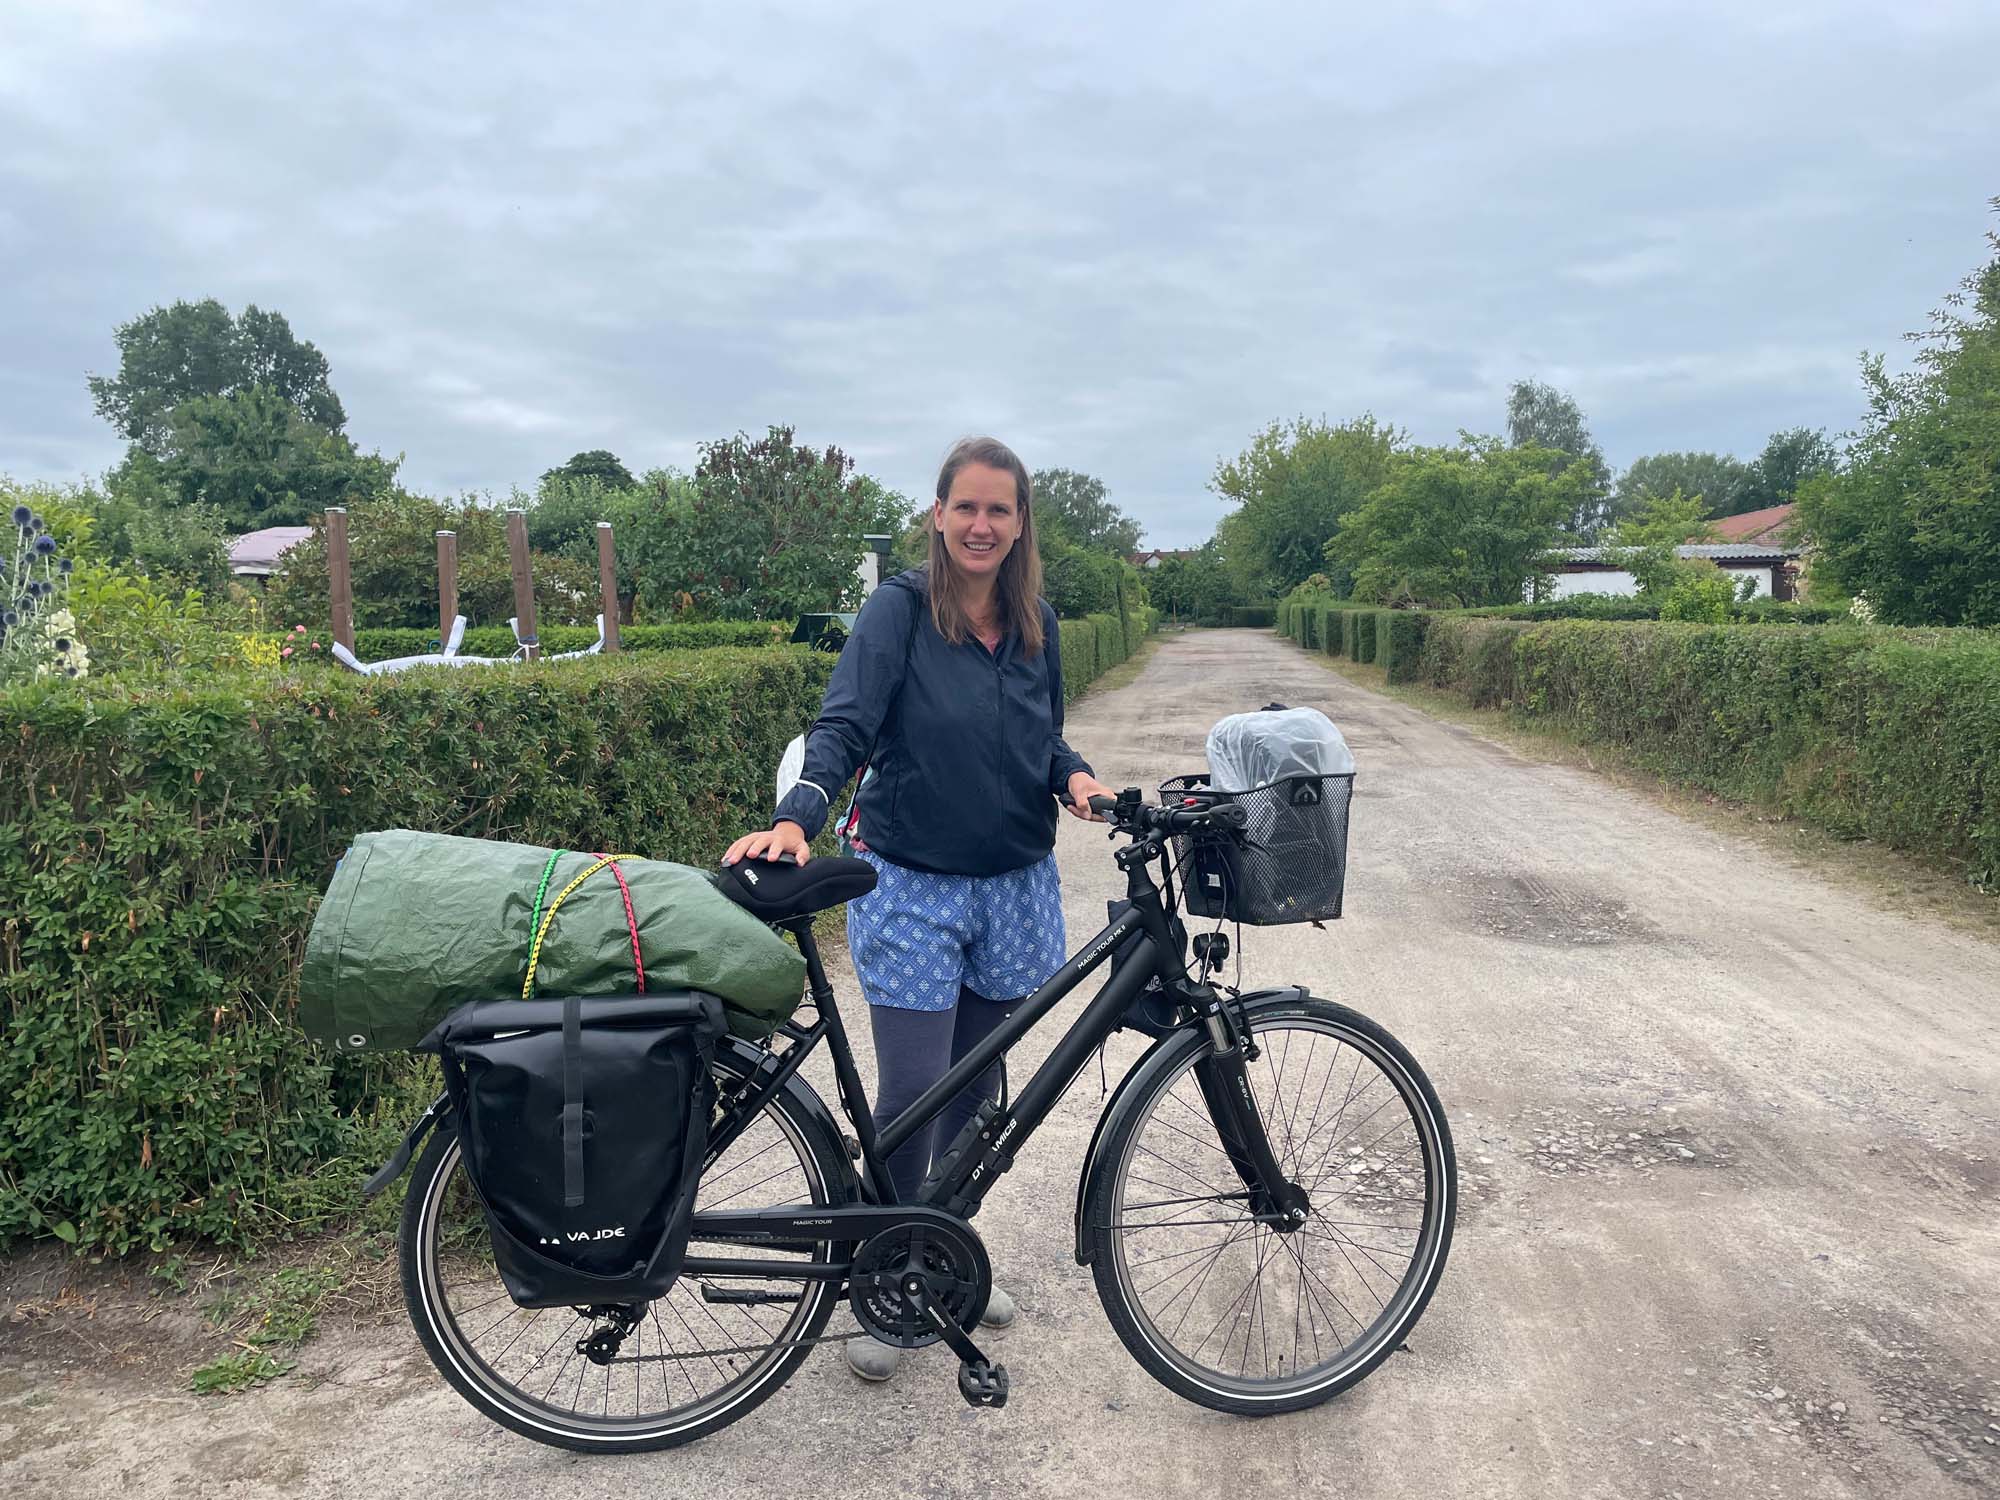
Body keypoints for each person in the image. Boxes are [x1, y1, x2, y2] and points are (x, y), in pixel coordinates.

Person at [723, 435, 1116, 1382]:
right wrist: (796, 817)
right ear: (939, 516)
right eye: (967, 508)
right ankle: (879, 1273)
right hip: (911, 884)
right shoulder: (899, 610)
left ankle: (940, 1259)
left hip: (1015, 885)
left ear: (1021, 525)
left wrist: (1075, 777)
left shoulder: (1037, 624)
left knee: (982, 1099)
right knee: (913, 1095)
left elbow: (1042, 735)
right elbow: (845, 723)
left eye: (1001, 510)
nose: (983, 525)